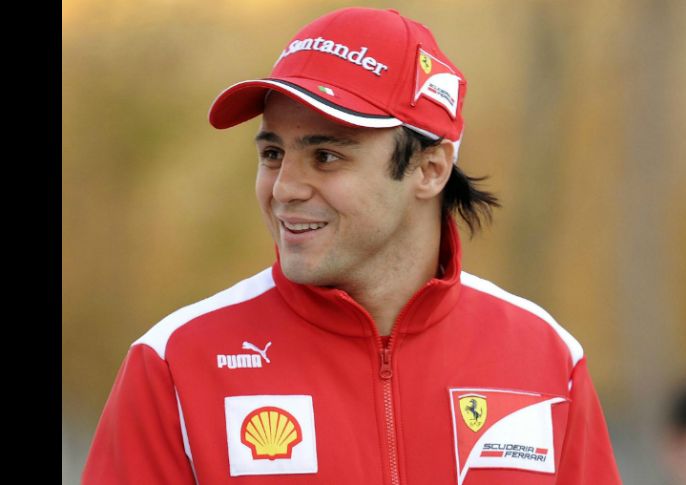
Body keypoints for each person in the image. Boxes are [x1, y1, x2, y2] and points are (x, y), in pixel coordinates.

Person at [82, 7, 622, 484]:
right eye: (272, 154)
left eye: (326, 157)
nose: (285, 188)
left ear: (430, 169)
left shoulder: (548, 357)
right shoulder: (174, 361)